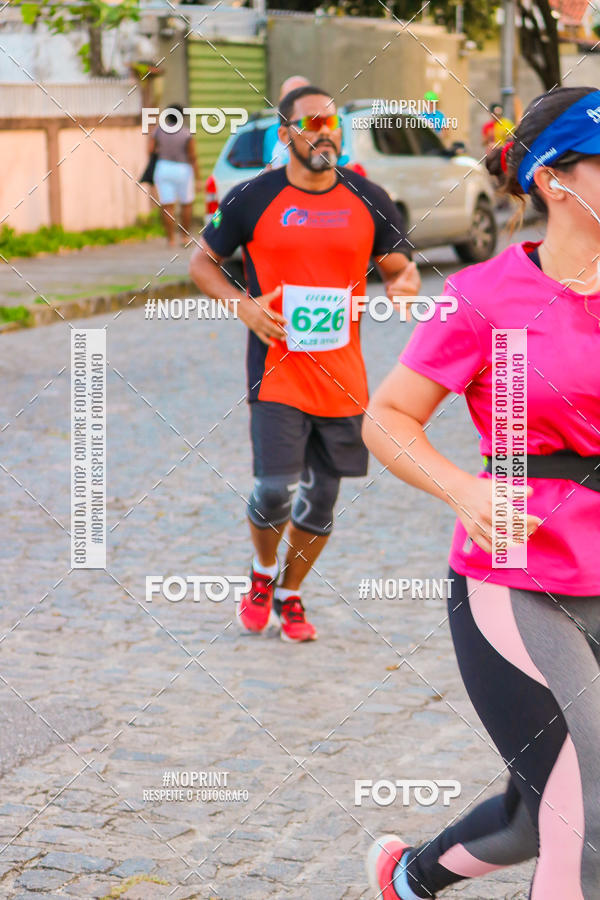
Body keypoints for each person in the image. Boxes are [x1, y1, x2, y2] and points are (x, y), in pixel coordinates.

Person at [364, 85, 600, 898]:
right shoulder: (483, 296)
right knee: (588, 796)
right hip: (518, 571)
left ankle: (408, 878)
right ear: (552, 179)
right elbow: (389, 417)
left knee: (539, 812)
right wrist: (464, 489)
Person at [189, 84, 419, 642]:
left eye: (332, 122)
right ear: (286, 133)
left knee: (321, 500)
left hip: (344, 377)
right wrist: (243, 306)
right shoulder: (253, 197)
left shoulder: (369, 197)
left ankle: (291, 593)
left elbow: (399, 268)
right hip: (277, 372)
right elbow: (202, 263)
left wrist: (406, 284)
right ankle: (262, 574)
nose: (325, 131)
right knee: (274, 489)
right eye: (312, 121)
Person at [149, 105, 200, 247]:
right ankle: (184, 237)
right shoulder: (186, 133)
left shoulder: (158, 131)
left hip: (163, 167)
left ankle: (170, 239)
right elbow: (192, 156)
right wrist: (198, 178)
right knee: (186, 203)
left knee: (167, 205)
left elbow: (150, 150)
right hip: (183, 169)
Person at [264, 75, 310, 169]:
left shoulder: (323, 128)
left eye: (300, 96)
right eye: (290, 97)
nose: (295, 102)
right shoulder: (272, 132)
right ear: (281, 100)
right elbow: (269, 167)